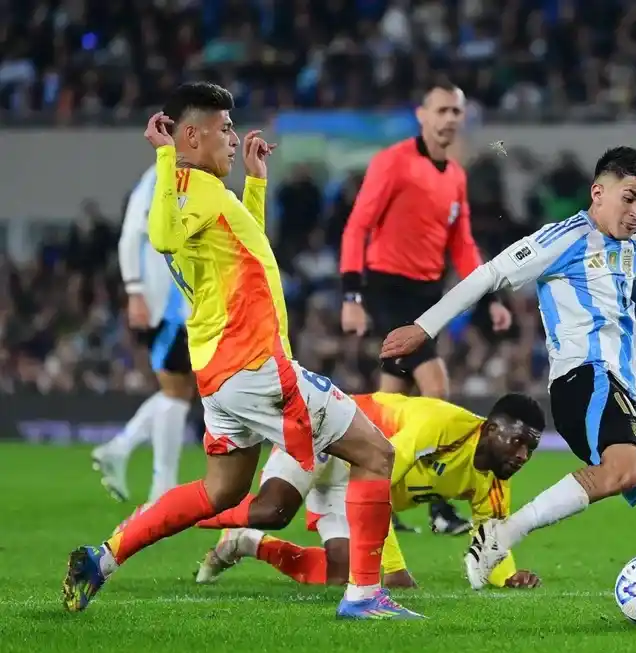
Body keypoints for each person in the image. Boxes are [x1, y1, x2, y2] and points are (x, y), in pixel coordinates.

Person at [380, 146, 636, 620]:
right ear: (598, 192)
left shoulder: (635, 250)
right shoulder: (564, 239)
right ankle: (502, 534)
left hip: (623, 393)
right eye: (630, 198)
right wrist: (425, 327)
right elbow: (491, 274)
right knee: (623, 469)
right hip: (584, 379)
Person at [61, 82, 419, 621]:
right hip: (255, 367)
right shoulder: (183, 184)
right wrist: (163, 156)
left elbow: (245, 248)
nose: (233, 137)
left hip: (221, 374)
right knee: (376, 454)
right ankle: (365, 597)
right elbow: (160, 236)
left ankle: (103, 558)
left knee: (220, 490)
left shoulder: (207, 192)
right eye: (223, 128)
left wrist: (255, 186)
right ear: (190, 135)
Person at [340, 77, 511, 537]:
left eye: (457, 112)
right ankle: (437, 507)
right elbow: (358, 227)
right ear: (422, 115)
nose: (450, 120)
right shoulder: (392, 163)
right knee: (435, 392)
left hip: (425, 294)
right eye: (442, 111)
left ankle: (374, 495)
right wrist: (352, 297)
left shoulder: (454, 175)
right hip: (387, 287)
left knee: (392, 404)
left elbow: (463, 244)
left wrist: (489, 298)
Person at [192, 392, 544, 590]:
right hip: (325, 437)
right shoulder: (441, 426)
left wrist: (507, 577)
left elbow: (491, 538)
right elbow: (378, 482)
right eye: (517, 443)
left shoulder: (495, 481)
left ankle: (245, 542)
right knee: (272, 511)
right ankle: (187, 515)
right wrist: (393, 568)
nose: (522, 456)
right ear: (492, 428)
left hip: (353, 479)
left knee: (337, 574)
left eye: (530, 450)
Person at [91, 164, 194, 505]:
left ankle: (120, 450)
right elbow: (131, 234)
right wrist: (135, 289)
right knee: (176, 390)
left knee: (179, 389)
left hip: (179, 301)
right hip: (165, 303)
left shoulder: (188, 176)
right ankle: (161, 486)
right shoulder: (159, 177)